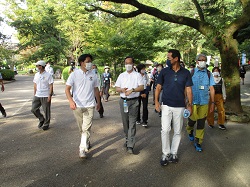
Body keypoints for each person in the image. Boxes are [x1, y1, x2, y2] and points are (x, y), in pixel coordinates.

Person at [155, 49, 193, 166]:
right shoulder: (164, 72)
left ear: (176, 59)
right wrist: (156, 102)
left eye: (169, 58)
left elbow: (188, 89)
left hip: (180, 106)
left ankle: (174, 153)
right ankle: (165, 153)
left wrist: (190, 105)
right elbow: (158, 87)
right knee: (165, 130)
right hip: (166, 104)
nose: (167, 59)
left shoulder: (185, 73)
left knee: (177, 131)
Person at [65, 54, 100, 159]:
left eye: (91, 61)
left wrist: (98, 102)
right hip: (77, 106)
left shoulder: (93, 75)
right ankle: (86, 142)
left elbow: (96, 89)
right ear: (81, 63)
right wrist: (71, 101)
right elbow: (67, 89)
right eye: (88, 61)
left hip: (89, 105)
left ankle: (82, 149)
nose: (90, 63)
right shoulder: (74, 75)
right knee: (82, 129)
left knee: (86, 128)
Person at [186, 54, 215, 152]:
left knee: (201, 123)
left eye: (204, 60)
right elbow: (186, 88)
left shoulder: (208, 74)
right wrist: (186, 102)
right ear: (197, 61)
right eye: (200, 60)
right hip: (193, 102)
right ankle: (189, 130)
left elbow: (211, 88)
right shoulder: (191, 73)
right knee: (192, 121)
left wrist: (213, 102)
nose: (202, 61)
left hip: (204, 102)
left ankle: (198, 142)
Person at [115, 56, 144, 154]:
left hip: (134, 101)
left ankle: (130, 145)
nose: (128, 65)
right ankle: (128, 139)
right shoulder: (121, 75)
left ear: (133, 64)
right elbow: (117, 88)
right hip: (123, 101)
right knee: (125, 122)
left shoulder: (137, 75)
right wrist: (122, 90)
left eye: (129, 63)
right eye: (126, 63)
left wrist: (133, 90)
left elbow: (141, 87)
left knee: (132, 123)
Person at [31, 60, 54, 131]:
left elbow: (51, 86)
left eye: (38, 65)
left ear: (41, 66)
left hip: (45, 95)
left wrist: (50, 95)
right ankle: (41, 119)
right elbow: (35, 84)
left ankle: (46, 123)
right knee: (33, 109)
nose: (37, 67)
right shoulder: (36, 74)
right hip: (37, 95)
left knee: (46, 110)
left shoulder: (48, 75)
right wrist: (34, 94)